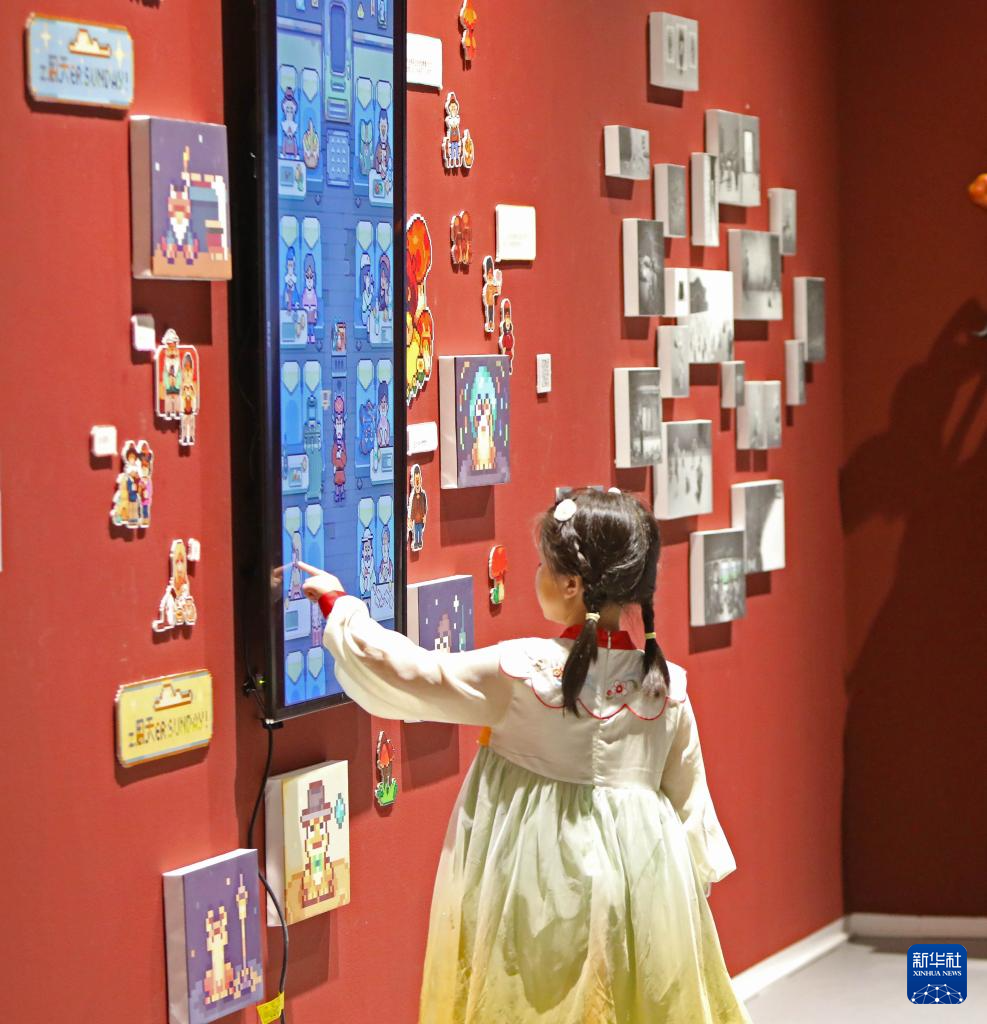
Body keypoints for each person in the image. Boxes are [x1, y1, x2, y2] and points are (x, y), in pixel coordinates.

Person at [301, 488, 751, 1024]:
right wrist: (683, 891)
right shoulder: (665, 687)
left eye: (544, 565)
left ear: (571, 584)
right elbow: (690, 808)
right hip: (644, 887)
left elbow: (415, 674)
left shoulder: (525, 673)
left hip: (537, 883)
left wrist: (339, 607)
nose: (537, 574)